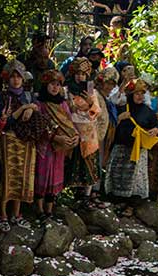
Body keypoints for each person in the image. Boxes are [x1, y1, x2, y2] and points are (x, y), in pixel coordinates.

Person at [0, 60, 41, 231]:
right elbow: (4, 121)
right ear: (7, 79)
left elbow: (37, 113)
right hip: (8, 139)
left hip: (26, 142)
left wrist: (31, 107)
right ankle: (3, 214)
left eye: (19, 77)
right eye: (13, 77)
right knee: (6, 177)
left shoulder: (29, 95)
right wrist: (24, 108)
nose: (16, 80)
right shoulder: (1, 97)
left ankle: (17, 214)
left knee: (21, 178)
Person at [104, 78, 158, 201]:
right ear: (131, 94)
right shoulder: (122, 108)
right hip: (120, 147)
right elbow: (108, 126)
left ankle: (131, 203)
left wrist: (156, 130)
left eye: (142, 93)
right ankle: (115, 200)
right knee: (117, 175)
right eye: (137, 93)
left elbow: (157, 126)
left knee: (134, 179)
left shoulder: (148, 111)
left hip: (138, 150)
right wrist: (119, 118)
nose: (140, 96)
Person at [34, 69, 77, 223]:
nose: (55, 87)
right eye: (52, 84)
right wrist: (55, 137)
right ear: (45, 85)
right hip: (45, 147)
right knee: (43, 176)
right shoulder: (39, 104)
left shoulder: (63, 104)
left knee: (55, 178)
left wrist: (73, 138)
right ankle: (39, 209)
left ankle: (49, 210)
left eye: (58, 85)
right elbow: (38, 127)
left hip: (59, 149)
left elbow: (70, 124)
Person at [64, 58, 103, 209]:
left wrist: (90, 102)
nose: (80, 77)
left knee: (89, 165)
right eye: (77, 73)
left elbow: (97, 111)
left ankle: (86, 196)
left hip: (88, 134)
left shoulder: (91, 89)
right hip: (72, 130)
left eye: (83, 74)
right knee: (70, 162)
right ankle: (69, 195)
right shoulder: (66, 90)